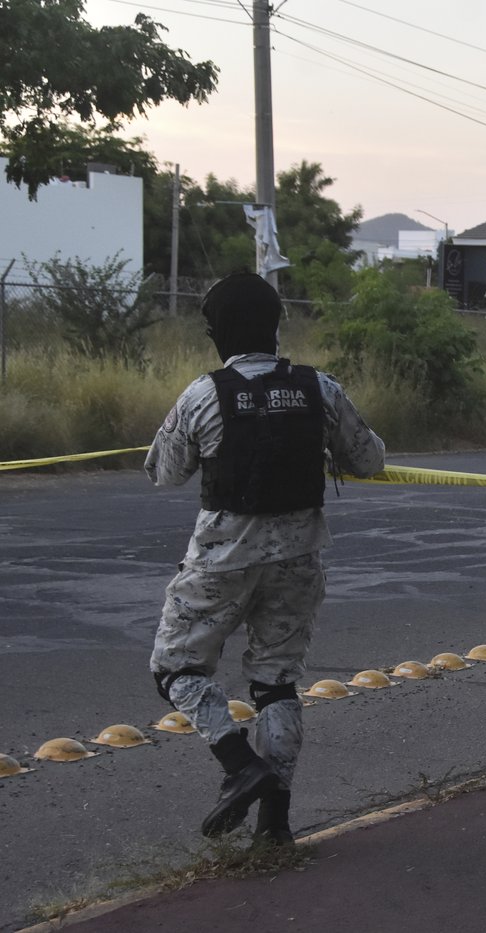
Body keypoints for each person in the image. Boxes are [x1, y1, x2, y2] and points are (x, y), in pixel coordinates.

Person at [146, 272, 385, 845]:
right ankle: (275, 827)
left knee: (176, 669)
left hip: (221, 561)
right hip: (300, 558)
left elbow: (165, 472)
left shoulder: (202, 395)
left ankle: (238, 765)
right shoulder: (319, 389)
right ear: (277, 327)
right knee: (276, 684)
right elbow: (369, 459)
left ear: (216, 333)